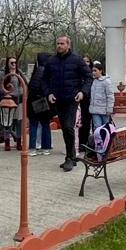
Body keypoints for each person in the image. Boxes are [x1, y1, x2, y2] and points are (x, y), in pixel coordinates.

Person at [40, 35, 93, 172]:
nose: (59, 46)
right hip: (58, 100)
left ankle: (70, 157)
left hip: (72, 99)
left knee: (69, 127)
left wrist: (83, 92)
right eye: (58, 43)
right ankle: (71, 156)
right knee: (64, 129)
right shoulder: (51, 61)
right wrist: (48, 93)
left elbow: (88, 77)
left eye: (62, 43)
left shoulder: (77, 60)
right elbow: (44, 79)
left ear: (68, 45)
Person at [88, 61, 115, 129]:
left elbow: (110, 96)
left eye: (95, 71)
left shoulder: (106, 81)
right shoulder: (93, 81)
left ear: (100, 71)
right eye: (92, 71)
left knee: (105, 128)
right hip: (94, 110)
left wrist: (109, 109)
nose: (93, 72)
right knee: (97, 127)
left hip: (104, 110)